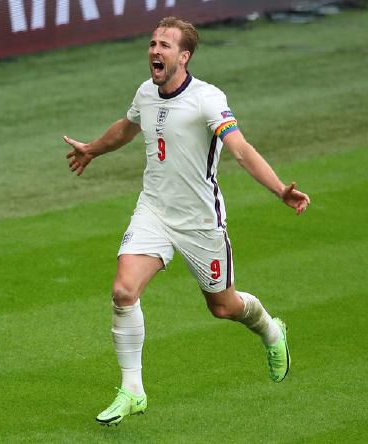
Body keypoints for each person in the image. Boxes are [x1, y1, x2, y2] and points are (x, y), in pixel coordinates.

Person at [63, 16, 310, 426]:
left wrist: (280, 189)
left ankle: (269, 329)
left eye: (164, 45)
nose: (154, 51)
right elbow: (128, 127)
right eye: (152, 43)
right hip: (154, 211)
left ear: (184, 55)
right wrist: (92, 148)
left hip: (200, 222)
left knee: (223, 307)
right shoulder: (146, 92)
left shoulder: (208, 99)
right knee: (124, 291)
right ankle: (132, 390)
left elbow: (241, 150)